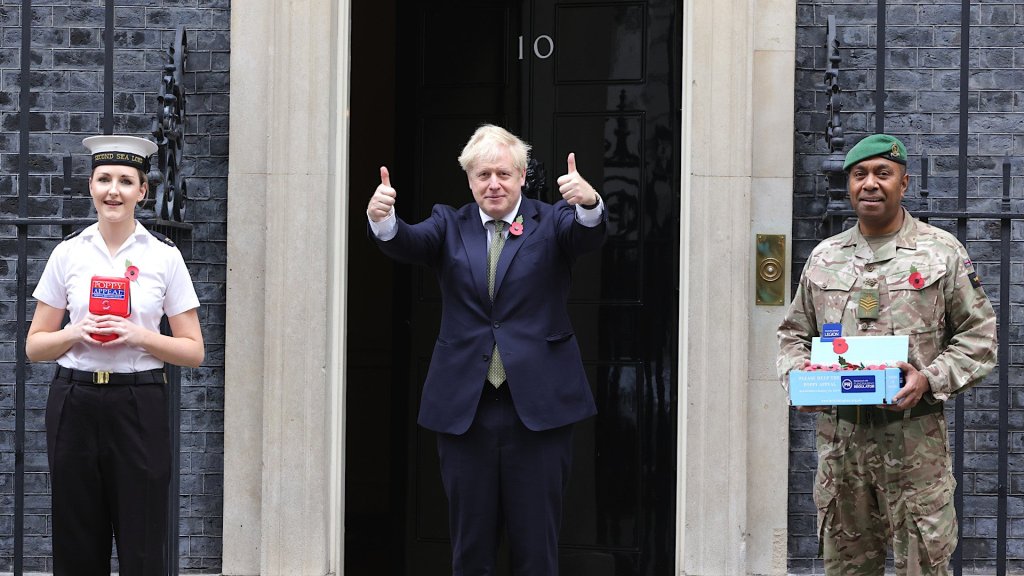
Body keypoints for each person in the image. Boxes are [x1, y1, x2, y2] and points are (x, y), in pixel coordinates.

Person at [367, 124, 606, 575]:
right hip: (467, 411)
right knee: (471, 547)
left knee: (536, 548)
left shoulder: (552, 220)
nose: (493, 184)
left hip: (539, 410)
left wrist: (589, 204)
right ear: (469, 180)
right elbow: (409, 242)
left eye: (503, 173)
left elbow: (586, 236)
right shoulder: (448, 223)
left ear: (521, 176)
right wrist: (383, 220)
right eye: (483, 175)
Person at [777, 134, 997, 575]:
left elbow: (980, 336)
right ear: (849, 185)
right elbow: (794, 334)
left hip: (914, 446)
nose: (870, 184)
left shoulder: (940, 252)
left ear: (904, 182)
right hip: (842, 450)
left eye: (883, 173)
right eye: (860, 174)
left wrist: (929, 378)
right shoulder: (824, 258)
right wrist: (801, 380)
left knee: (922, 566)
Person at [26, 135, 205, 575]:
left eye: (126, 181)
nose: (113, 190)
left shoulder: (164, 257)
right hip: (75, 401)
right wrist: (75, 331)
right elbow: (35, 345)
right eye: (104, 179)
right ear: (90, 185)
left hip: (138, 402)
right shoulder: (68, 253)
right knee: (76, 542)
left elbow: (193, 350)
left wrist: (139, 336)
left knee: (142, 542)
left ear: (142, 191)